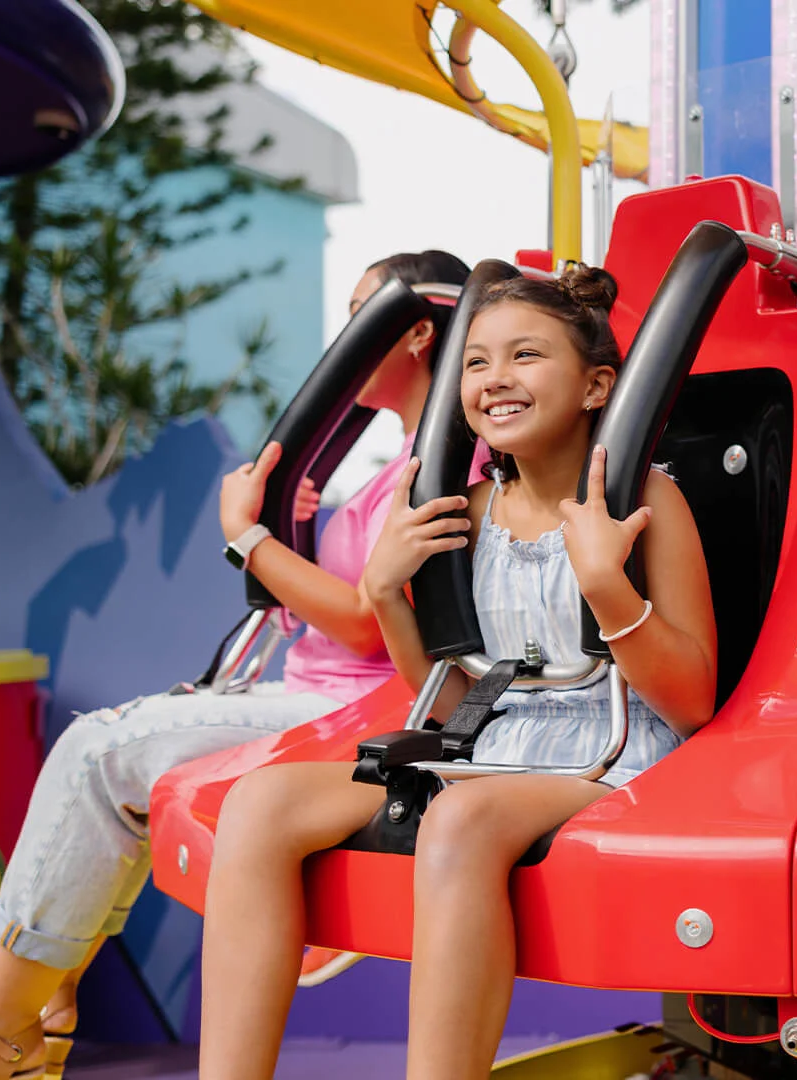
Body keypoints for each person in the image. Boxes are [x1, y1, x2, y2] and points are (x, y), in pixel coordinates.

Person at [195, 265, 717, 1080]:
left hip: (613, 752)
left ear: (595, 386)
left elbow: (690, 701)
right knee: (259, 803)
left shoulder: (647, 503)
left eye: (526, 356)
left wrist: (609, 588)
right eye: (475, 362)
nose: (495, 379)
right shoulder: (464, 512)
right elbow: (438, 692)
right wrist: (385, 593)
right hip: (492, 744)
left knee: (462, 821)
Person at [0, 251, 473, 1080]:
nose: (344, 338)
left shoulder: (449, 461)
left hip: (357, 710)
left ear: (416, 330)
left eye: (361, 316)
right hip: (313, 690)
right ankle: (38, 1011)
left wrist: (249, 536)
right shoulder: (397, 465)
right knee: (114, 775)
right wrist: (297, 529)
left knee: (99, 751)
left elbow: (362, 627)